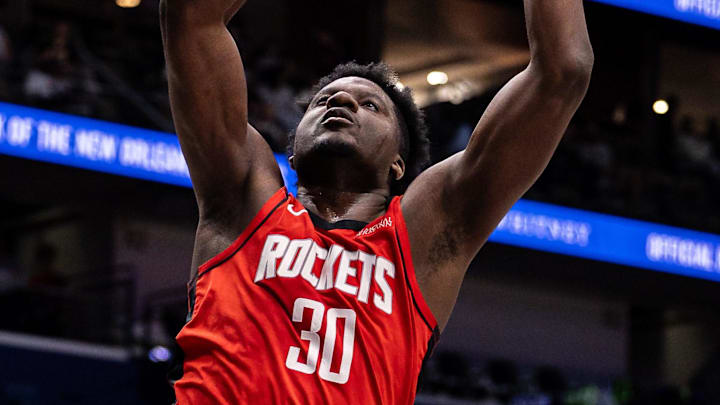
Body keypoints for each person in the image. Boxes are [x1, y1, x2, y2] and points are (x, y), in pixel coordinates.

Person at [160, 0, 593, 403]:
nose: (343, 100)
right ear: (293, 151)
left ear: (399, 164)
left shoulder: (426, 234)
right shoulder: (244, 199)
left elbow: (563, 69)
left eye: (371, 105)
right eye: (323, 101)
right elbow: (191, 16)